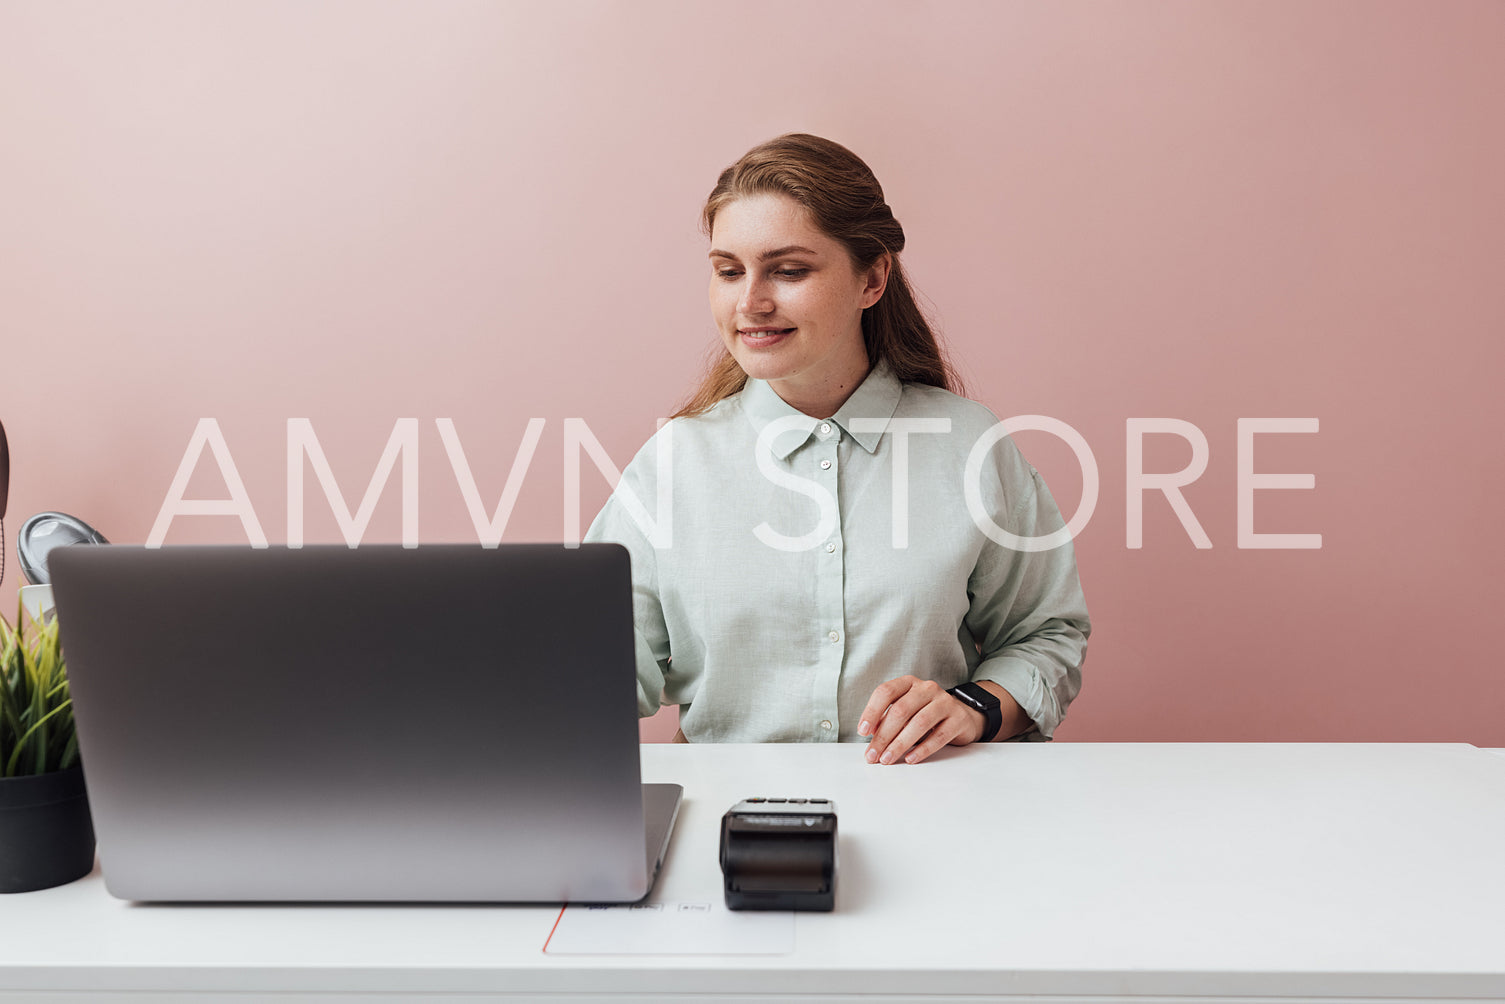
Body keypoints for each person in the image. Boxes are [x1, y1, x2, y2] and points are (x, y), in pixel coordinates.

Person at [584, 133, 1089, 764]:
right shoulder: (673, 463)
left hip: (934, 813)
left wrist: (975, 707)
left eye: (789, 270)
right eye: (728, 270)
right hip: (727, 819)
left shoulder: (969, 447)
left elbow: (1045, 634)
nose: (751, 302)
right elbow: (594, 674)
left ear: (872, 278)